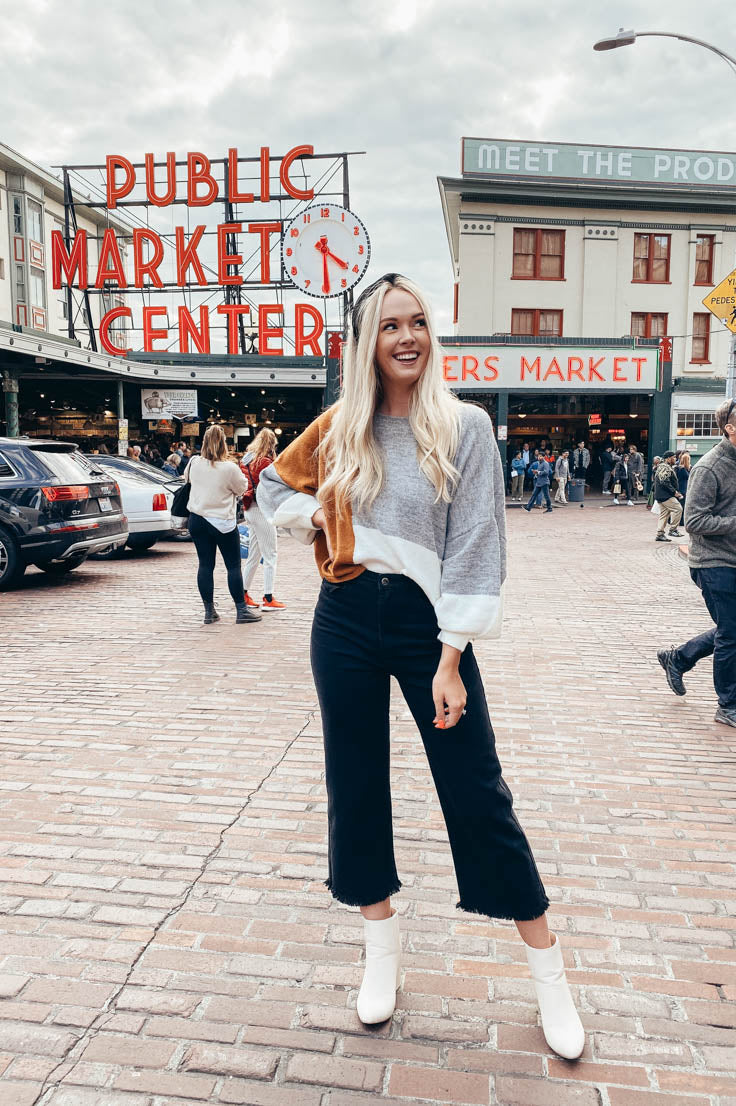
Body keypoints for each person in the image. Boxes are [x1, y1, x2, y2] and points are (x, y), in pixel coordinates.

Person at [258, 273, 584, 1059]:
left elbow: (478, 542)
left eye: (418, 323)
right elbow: (271, 486)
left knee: (475, 788)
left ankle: (549, 975)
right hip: (342, 618)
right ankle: (381, 945)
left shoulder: (465, 424)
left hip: (427, 628)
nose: (407, 337)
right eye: (390, 325)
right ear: (366, 342)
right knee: (356, 782)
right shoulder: (344, 424)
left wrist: (451, 655)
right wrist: (323, 523)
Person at [657, 398, 736, 727]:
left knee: (731, 630)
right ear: (730, 428)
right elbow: (694, 521)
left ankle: (679, 657)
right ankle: (728, 706)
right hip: (713, 563)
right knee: (731, 634)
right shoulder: (710, 467)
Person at [185, 425, 261, 625]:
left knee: (205, 565)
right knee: (233, 566)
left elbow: (187, 480)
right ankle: (241, 610)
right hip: (221, 521)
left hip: (197, 518)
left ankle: (209, 611)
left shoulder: (194, 462)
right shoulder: (229, 468)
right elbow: (242, 487)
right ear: (223, 444)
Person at [241, 428, 286, 611]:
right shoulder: (266, 462)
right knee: (271, 555)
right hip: (262, 510)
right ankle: (268, 598)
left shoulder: (246, 460)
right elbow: (278, 483)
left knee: (254, 555)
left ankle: (242, 594)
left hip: (249, 508)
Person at [653, 451, 684, 542]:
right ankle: (673, 530)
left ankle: (660, 534)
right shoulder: (664, 467)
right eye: (674, 457)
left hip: (661, 494)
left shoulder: (664, 466)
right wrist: (674, 492)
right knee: (678, 509)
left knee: (664, 514)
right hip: (665, 495)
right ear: (668, 458)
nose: (675, 459)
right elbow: (664, 481)